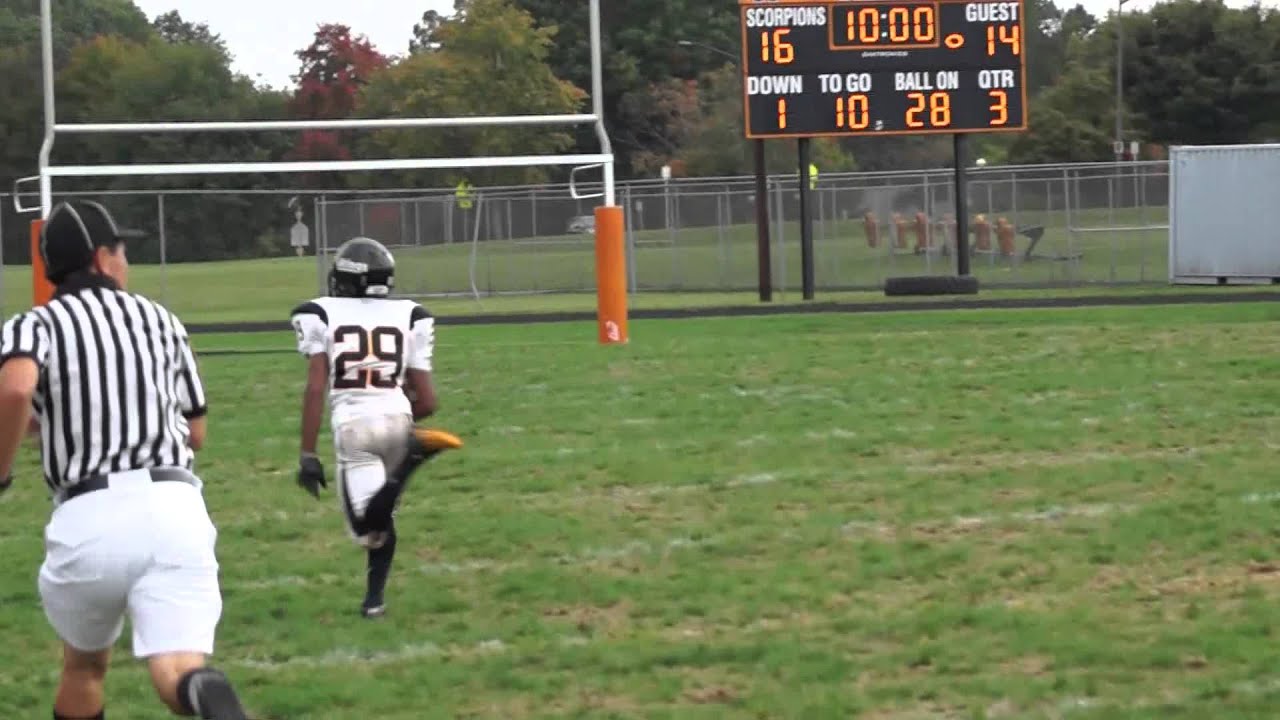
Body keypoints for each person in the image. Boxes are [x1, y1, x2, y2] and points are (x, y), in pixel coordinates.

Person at [0, 200, 251, 719]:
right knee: (179, 670)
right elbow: (196, 432)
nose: (127, 259)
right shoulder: (160, 319)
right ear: (101, 257)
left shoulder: (35, 325)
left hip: (89, 517)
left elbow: (15, 388)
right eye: (121, 249)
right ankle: (208, 697)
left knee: (85, 667)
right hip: (174, 506)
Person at [289, 236, 462, 619]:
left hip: (355, 428)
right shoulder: (411, 315)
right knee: (383, 520)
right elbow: (429, 401)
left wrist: (307, 455)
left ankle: (413, 461)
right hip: (400, 422)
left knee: (367, 528)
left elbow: (316, 386)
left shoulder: (320, 312)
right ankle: (374, 602)